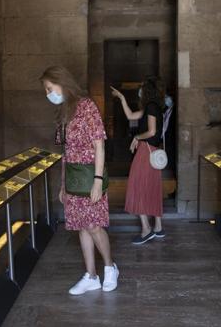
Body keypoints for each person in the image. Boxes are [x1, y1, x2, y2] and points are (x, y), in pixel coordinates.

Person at [40, 66, 119, 295]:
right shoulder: (64, 112)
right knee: (81, 228)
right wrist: (63, 185)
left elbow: (99, 145)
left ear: (61, 82)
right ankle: (91, 276)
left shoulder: (87, 106)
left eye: (49, 88)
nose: (48, 94)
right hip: (73, 178)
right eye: (46, 90)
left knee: (94, 226)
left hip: (89, 175)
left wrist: (97, 180)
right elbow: (66, 152)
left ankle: (110, 267)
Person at [111, 76, 165, 245]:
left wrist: (136, 137)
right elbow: (130, 116)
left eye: (142, 88)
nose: (140, 91)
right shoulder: (152, 107)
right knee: (153, 187)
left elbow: (151, 131)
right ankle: (158, 227)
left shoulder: (150, 107)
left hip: (146, 151)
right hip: (153, 152)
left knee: (137, 185)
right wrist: (122, 98)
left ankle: (146, 229)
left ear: (147, 91)